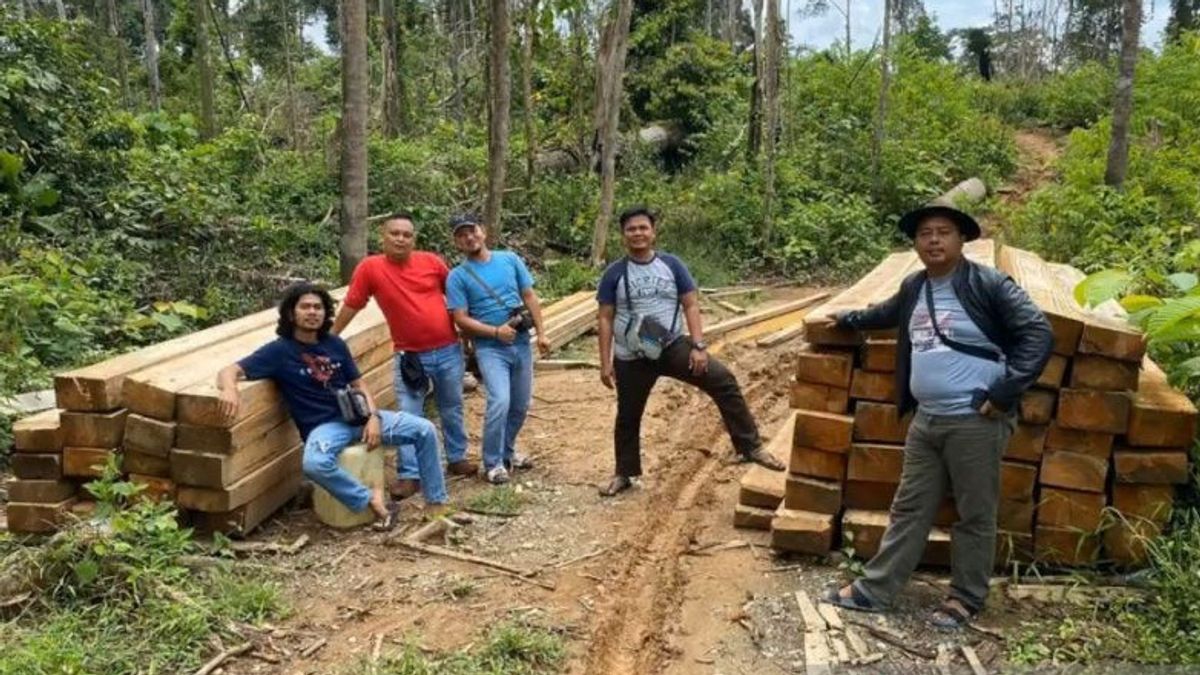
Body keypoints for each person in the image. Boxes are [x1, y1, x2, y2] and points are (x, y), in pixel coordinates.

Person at [819, 204, 1053, 628]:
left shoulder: (989, 283)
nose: (933, 240)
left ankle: (965, 598)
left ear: (962, 240)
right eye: (925, 233)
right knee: (909, 507)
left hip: (975, 421)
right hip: (926, 420)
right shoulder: (914, 286)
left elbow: (1037, 333)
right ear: (916, 244)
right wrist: (850, 318)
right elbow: (885, 314)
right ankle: (877, 588)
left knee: (974, 512)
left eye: (943, 232)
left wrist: (1004, 393)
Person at [217, 282, 450, 530]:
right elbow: (230, 370)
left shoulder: (335, 344)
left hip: (359, 417)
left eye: (318, 307)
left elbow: (358, 383)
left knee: (424, 429)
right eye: (305, 307)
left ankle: (437, 504)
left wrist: (372, 417)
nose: (312, 312)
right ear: (290, 313)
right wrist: (230, 389)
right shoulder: (278, 351)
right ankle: (368, 498)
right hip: (325, 427)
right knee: (315, 464)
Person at [595, 206, 786, 497]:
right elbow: (605, 317)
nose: (638, 233)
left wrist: (698, 345)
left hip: (670, 345)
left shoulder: (672, 265)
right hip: (631, 355)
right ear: (623, 235)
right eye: (631, 229)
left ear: (653, 232)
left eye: (643, 228)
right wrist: (605, 362)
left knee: (723, 380)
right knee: (628, 415)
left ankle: (750, 446)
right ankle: (624, 473)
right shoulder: (615, 273)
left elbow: (691, 304)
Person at [332, 213, 476, 500]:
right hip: (409, 356)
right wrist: (330, 337)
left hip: (448, 348)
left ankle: (457, 457)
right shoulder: (370, 268)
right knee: (409, 416)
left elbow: (457, 296)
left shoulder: (432, 262)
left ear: (414, 239)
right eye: (394, 233)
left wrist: (470, 334)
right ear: (382, 237)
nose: (400, 239)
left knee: (452, 405)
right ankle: (410, 474)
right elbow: (352, 304)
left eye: (407, 235)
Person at [445, 214, 551, 485]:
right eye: (462, 235)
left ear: (483, 231)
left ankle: (507, 452)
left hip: (520, 343)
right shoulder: (457, 276)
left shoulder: (509, 259)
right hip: (490, 348)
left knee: (521, 404)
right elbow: (460, 317)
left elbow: (528, 295)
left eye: (473, 231)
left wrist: (541, 333)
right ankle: (492, 463)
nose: (469, 237)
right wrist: (494, 332)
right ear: (457, 242)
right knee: (500, 401)